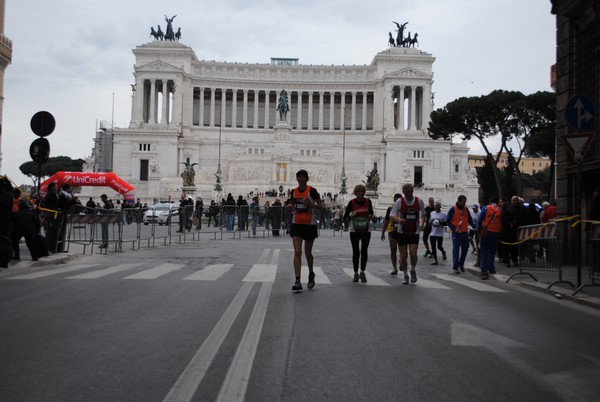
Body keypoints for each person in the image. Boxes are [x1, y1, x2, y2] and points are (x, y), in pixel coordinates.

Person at [289, 169, 322, 291]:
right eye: (299, 177)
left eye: (303, 177)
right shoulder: (293, 191)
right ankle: (297, 280)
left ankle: (311, 273)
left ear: (307, 179)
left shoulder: (312, 191)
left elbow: (320, 206)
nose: (301, 179)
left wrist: (309, 204)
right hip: (297, 224)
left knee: (308, 253)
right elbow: (292, 205)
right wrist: (291, 207)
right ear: (297, 179)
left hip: (309, 224)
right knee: (297, 252)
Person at [390, 183, 425, 285]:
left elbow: (423, 214)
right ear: (403, 192)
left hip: (415, 231)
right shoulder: (399, 202)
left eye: (410, 192)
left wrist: (422, 224)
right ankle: (405, 275)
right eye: (407, 192)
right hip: (402, 231)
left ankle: (413, 269)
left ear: (413, 191)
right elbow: (392, 215)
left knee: (413, 254)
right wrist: (399, 220)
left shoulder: (419, 201)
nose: (409, 194)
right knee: (403, 255)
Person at [342, 184, 374, 283]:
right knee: (356, 252)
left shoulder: (368, 202)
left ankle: (363, 271)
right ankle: (355, 273)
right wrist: (352, 215)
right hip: (354, 230)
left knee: (364, 251)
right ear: (355, 193)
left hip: (366, 230)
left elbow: (372, 214)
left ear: (364, 193)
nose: (360, 194)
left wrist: (370, 216)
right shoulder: (351, 203)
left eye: (362, 192)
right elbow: (345, 218)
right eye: (358, 192)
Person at [446, 195, 474, 274]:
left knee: (465, 249)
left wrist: (474, 227)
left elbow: (470, 220)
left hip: (464, 232)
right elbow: (448, 221)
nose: (464, 204)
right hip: (456, 233)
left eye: (465, 202)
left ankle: (461, 264)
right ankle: (455, 267)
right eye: (463, 202)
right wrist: (454, 228)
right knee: (456, 249)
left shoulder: (466, 209)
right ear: (459, 201)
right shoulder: (452, 209)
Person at [477, 195, 502, 280]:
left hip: (486, 231)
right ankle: (491, 268)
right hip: (496, 232)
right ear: (497, 202)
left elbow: (480, 219)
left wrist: (478, 229)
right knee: (492, 251)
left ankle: (484, 270)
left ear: (490, 201)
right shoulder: (499, 210)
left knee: (484, 251)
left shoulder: (486, 208)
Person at [381, 193, 402, 275]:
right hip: (392, 230)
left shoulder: (404, 208)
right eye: (396, 200)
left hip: (402, 231)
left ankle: (401, 261)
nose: (397, 202)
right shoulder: (390, 209)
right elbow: (386, 221)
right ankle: (394, 268)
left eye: (398, 200)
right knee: (393, 250)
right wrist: (383, 232)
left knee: (402, 251)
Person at [0, 177, 14, 268]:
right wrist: (7, 180)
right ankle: (4, 262)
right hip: (5, 223)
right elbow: (11, 190)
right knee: (5, 241)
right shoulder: (8, 196)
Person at [429, 201, 447, 265]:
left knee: (439, 247)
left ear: (440, 207)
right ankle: (435, 260)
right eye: (435, 206)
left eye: (437, 206)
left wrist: (441, 223)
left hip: (439, 234)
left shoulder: (443, 214)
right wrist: (431, 222)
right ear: (434, 207)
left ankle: (443, 252)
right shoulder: (432, 213)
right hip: (432, 233)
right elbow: (429, 221)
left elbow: (446, 223)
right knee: (433, 248)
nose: (436, 207)